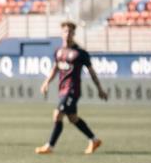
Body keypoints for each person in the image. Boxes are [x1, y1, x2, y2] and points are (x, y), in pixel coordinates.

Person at [36, 21, 108, 155]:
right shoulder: (58, 52)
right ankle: (94, 140)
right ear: (61, 33)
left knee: (57, 114)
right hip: (62, 89)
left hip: (72, 90)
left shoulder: (80, 53)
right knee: (73, 118)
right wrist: (46, 82)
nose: (67, 34)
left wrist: (100, 89)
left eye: (70, 31)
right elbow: (55, 69)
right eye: (65, 31)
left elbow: (92, 72)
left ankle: (50, 146)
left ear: (74, 34)